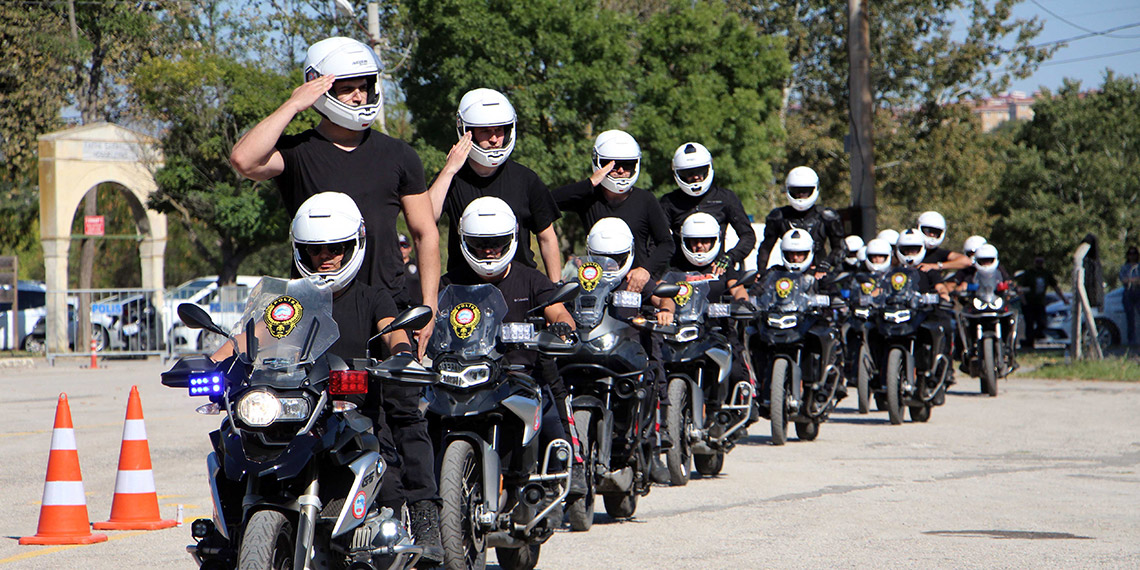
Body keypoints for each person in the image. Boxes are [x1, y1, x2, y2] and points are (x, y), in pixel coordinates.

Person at [226, 37, 443, 563]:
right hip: (309, 313)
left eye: (367, 85)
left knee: (402, 418)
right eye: (347, 85)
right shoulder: (299, 152)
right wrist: (294, 103)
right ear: (320, 85)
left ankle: (428, 519)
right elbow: (243, 158)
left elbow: (425, 233)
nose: (360, 95)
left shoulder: (398, 155)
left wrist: (429, 308)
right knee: (288, 416)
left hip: (387, 308)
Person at [439, 197, 579, 492]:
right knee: (423, 420)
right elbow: (432, 317)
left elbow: (557, 310)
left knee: (551, 415)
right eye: (479, 243)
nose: (488, 250)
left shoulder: (531, 279)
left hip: (519, 375)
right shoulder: (449, 284)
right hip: (464, 377)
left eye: (497, 242)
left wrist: (562, 325)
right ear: (465, 242)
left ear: (512, 239)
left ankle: (564, 470)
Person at [427, 88, 563, 281]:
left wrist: (556, 287)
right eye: (485, 131)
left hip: (519, 286)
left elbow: (547, 237)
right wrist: (449, 170)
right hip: (463, 289)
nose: (494, 139)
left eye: (499, 130)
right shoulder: (451, 179)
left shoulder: (526, 179)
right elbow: (425, 220)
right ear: (467, 132)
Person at [584, 217, 676, 483]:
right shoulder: (585, 278)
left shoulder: (636, 278)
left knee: (651, 380)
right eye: (603, 257)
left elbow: (663, 297)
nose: (610, 263)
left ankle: (653, 446)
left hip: (630, 352)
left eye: (617, 257)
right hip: (594, 348)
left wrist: (666, 312)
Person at [552, 130, 675, 292]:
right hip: (595, 286)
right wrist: (590, 183)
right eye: (613, 164)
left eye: (628, 164)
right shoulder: (587, 198)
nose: (621, 170)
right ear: (599, 163)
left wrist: (645, 270)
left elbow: (667, 243)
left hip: (635, 288)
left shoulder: (646, 200)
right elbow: (548, 201)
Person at [658, 142, 756, 276]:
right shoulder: (669, 202)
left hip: (719, 271)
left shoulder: (726, 198)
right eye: (689, 173)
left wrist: (730, 257)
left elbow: (748, 235)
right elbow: (655, 239)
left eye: (700, 171)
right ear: (678, 174)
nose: (696, 177)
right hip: (680, 273)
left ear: (709, 168)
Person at [759, 166, 844, 274]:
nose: (800, 195)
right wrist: (761, 272)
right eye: (796, 191)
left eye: (805, 191)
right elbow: (765, 247)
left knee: (835, 290)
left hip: (818, 275)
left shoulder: (827, 216)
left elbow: (840, 247)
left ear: (814, 189)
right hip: (787, 275)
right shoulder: (778, 216)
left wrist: (826, 264)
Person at [1016, 254, 1065, 350]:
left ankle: (1034, 336)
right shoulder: (1029, 273)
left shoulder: (1046, 274)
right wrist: (1023, 301)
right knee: (1029, 323)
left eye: (1041, 262)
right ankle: (1029, 343)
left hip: (1040, 303)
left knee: (1042, 323)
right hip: (1028, 303)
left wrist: (1064, 299)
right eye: (1037, 262)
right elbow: (1020, 288)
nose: (1039, 264)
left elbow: (1055, 287)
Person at [1121, 247, 1140, 346]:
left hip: (1138, 292)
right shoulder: (1125, 267)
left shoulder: (1138, 266)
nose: (1132, 256)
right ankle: (1131, 341)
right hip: (1128, 293)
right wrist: (1134, 280)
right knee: (1130, 318)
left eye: (1134, 254)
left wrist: (1130, 279)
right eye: (1130, 254)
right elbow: (1123, 280)